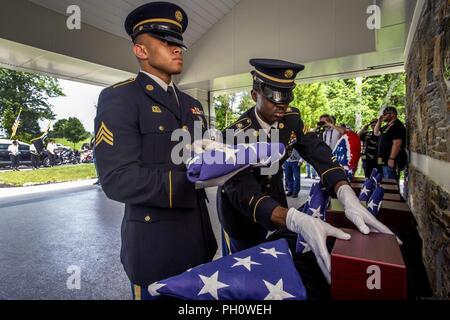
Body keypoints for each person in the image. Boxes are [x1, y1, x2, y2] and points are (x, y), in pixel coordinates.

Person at [217, 59, 396, 285]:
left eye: (287, 95)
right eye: (274, 97)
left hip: (275, 199)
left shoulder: (290, 119)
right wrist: (293, 218)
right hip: (241, 212)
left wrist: (345, 193)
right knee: (243, 272)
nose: (282, 105)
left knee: (271, 266)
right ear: (255, 95)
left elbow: (317, 151)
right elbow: (243, 190)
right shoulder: (234, 135)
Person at [94, 2, 217, 300]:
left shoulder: (193, 105)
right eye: (166, 41)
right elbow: (117, 179)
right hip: (154, 247)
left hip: (198, 239)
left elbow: (201, 158)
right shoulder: (119, 98)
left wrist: (221, 160)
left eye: (179, 43)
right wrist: (193, 181)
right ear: (141, 51)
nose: (177, 49)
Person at [374, 106, 407, 180]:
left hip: (391, 160)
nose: (383, 116)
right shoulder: (388, 126)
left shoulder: (397, 125)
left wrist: (392, 158)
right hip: (384, 160)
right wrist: (379, 121)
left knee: (390, 183)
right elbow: (376, 133)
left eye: (385, 114)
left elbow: (397, 143)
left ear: (392, 114)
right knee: (385, 182)